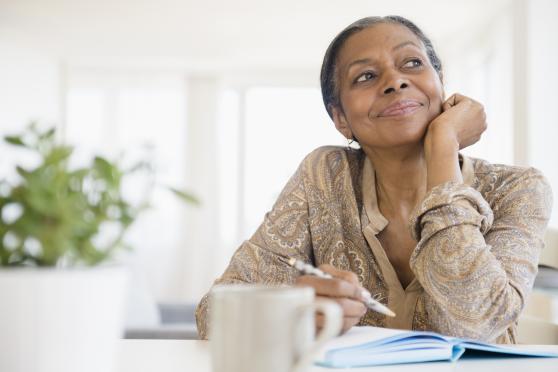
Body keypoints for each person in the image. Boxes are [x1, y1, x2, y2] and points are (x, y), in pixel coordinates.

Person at [195, 16, 552, 343]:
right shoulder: (323, 176)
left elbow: (476, 325)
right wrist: (292, 312)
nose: (395, 81)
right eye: (365, 76)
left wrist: (444, 146)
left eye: (412, 63)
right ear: (341, 120)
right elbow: (213, 314)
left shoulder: (517, 189)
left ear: (440, 84)